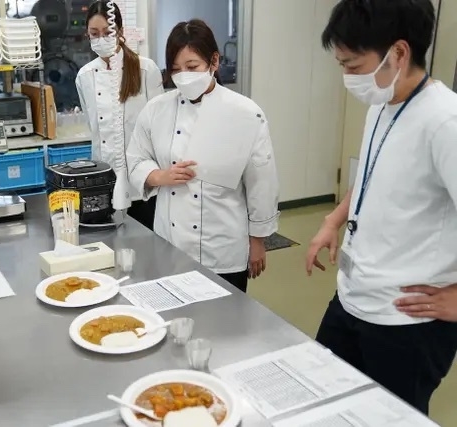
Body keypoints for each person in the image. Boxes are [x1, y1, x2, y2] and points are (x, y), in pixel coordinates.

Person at [306, 0, 457, 415]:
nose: (347, 77)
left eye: (353, 65)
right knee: (323, 405)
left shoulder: (445, 122)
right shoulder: (382, 104)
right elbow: (373, 177)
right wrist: (333, 220)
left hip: (407, 323)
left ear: (399, 52)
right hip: (353, 297)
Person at [126, 19, 279, 292]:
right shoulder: (156, 109)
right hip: (170, 239)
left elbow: (261, 182)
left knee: (225, 315)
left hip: (222, 244)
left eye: (192, 67)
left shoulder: (245, 113)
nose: (183, 75)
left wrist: (257, 241)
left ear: (214, 61)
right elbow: (136, 158)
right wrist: (159, 176)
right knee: (173, 311)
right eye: (176, 69)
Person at [76, 0, 164, 230]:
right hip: (102, 180)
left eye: (108, 33)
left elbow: (160, 127)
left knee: (146, 244)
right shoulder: (84, 76)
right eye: (94, 34)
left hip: (142, 183)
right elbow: (93, 126)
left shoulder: (145, 70)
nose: (101, 39)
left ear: (120, 31)